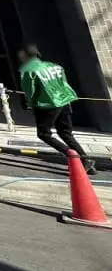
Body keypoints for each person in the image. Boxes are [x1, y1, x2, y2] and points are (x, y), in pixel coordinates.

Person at [17, 45, 96, 174]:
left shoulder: (28, 70)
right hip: (64, 100)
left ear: (25, 56)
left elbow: (29, 91)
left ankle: (71, 155)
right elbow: (63, 83)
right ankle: (86, 160)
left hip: (47, 104)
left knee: (44, 133)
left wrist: (30, 104)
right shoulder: (54, 66)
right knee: (66, 133)